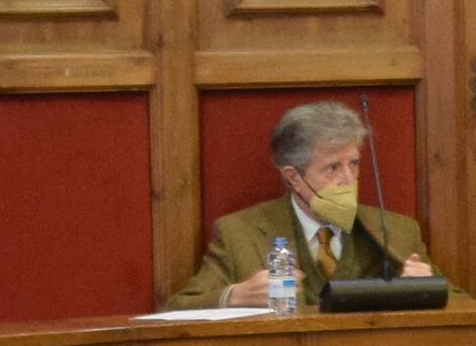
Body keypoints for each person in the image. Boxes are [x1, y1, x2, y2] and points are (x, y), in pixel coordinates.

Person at [177, 101, 442, 310]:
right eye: (333, 168)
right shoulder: (239, 234)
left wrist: (427, 290)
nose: (348, 181)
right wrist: (233, 297)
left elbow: (462, 303)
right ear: (293, 177)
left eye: (354, 163)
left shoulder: (398, 230)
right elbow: (178, 308)